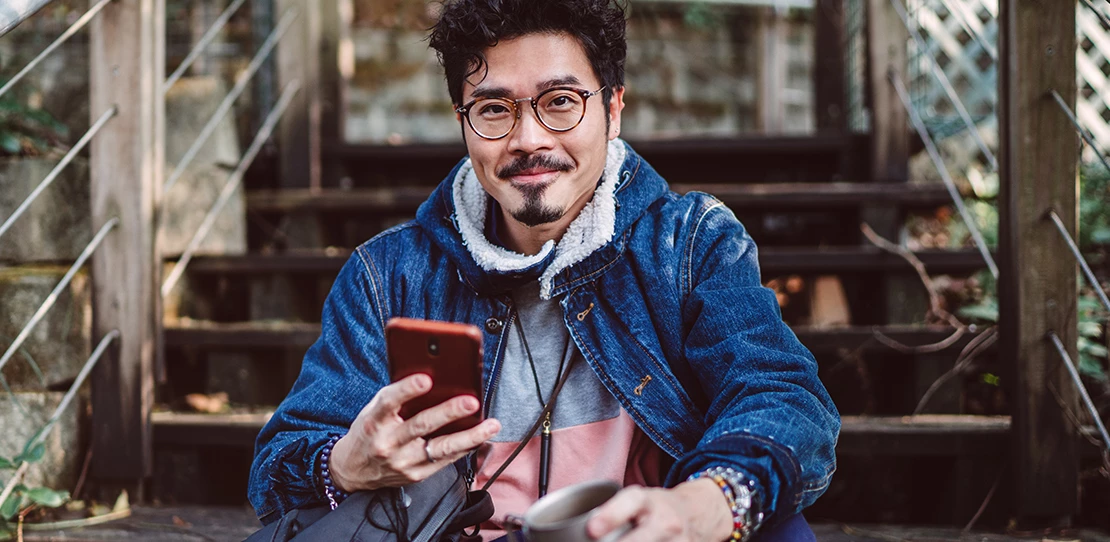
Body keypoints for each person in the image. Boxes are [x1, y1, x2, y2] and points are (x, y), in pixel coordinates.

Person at [248, 0, 840, 539]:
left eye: (560, 101)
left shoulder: (690, 243)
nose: (528, 139)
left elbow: (781, 394)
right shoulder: (386, 274)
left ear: (613, 107)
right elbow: (278, 467)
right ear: (462, 122)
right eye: (493, 109)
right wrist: (343, 465)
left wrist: (703, 503)